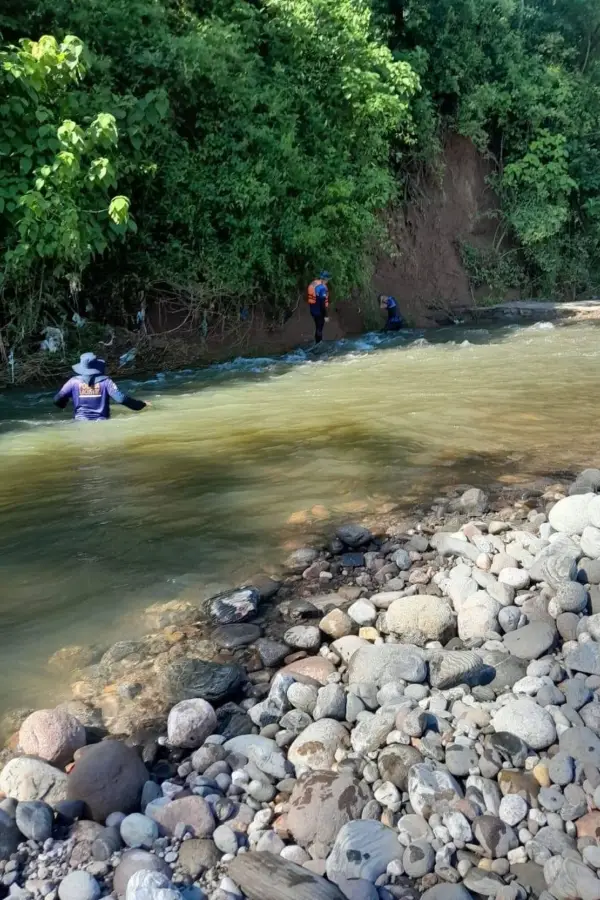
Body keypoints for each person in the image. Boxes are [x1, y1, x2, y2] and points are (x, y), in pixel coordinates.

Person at [53, 352, 148, 421]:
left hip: (79, 424)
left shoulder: (73, 382)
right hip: (102, 423)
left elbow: (57, 399)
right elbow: (121, 399)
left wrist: (63, 405)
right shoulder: (106, 382)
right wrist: (141, 404)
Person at [307, 271, 330, 344]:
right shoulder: (322, 288)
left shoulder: (314, 283)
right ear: (325, 279)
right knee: (319, 328)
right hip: (319, 311)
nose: (328, 280)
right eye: (328, 279)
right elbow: (322, 304)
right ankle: (319, 344)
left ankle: (317, 341)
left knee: (317, 327)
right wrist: (326, 315)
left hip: (312, 310)